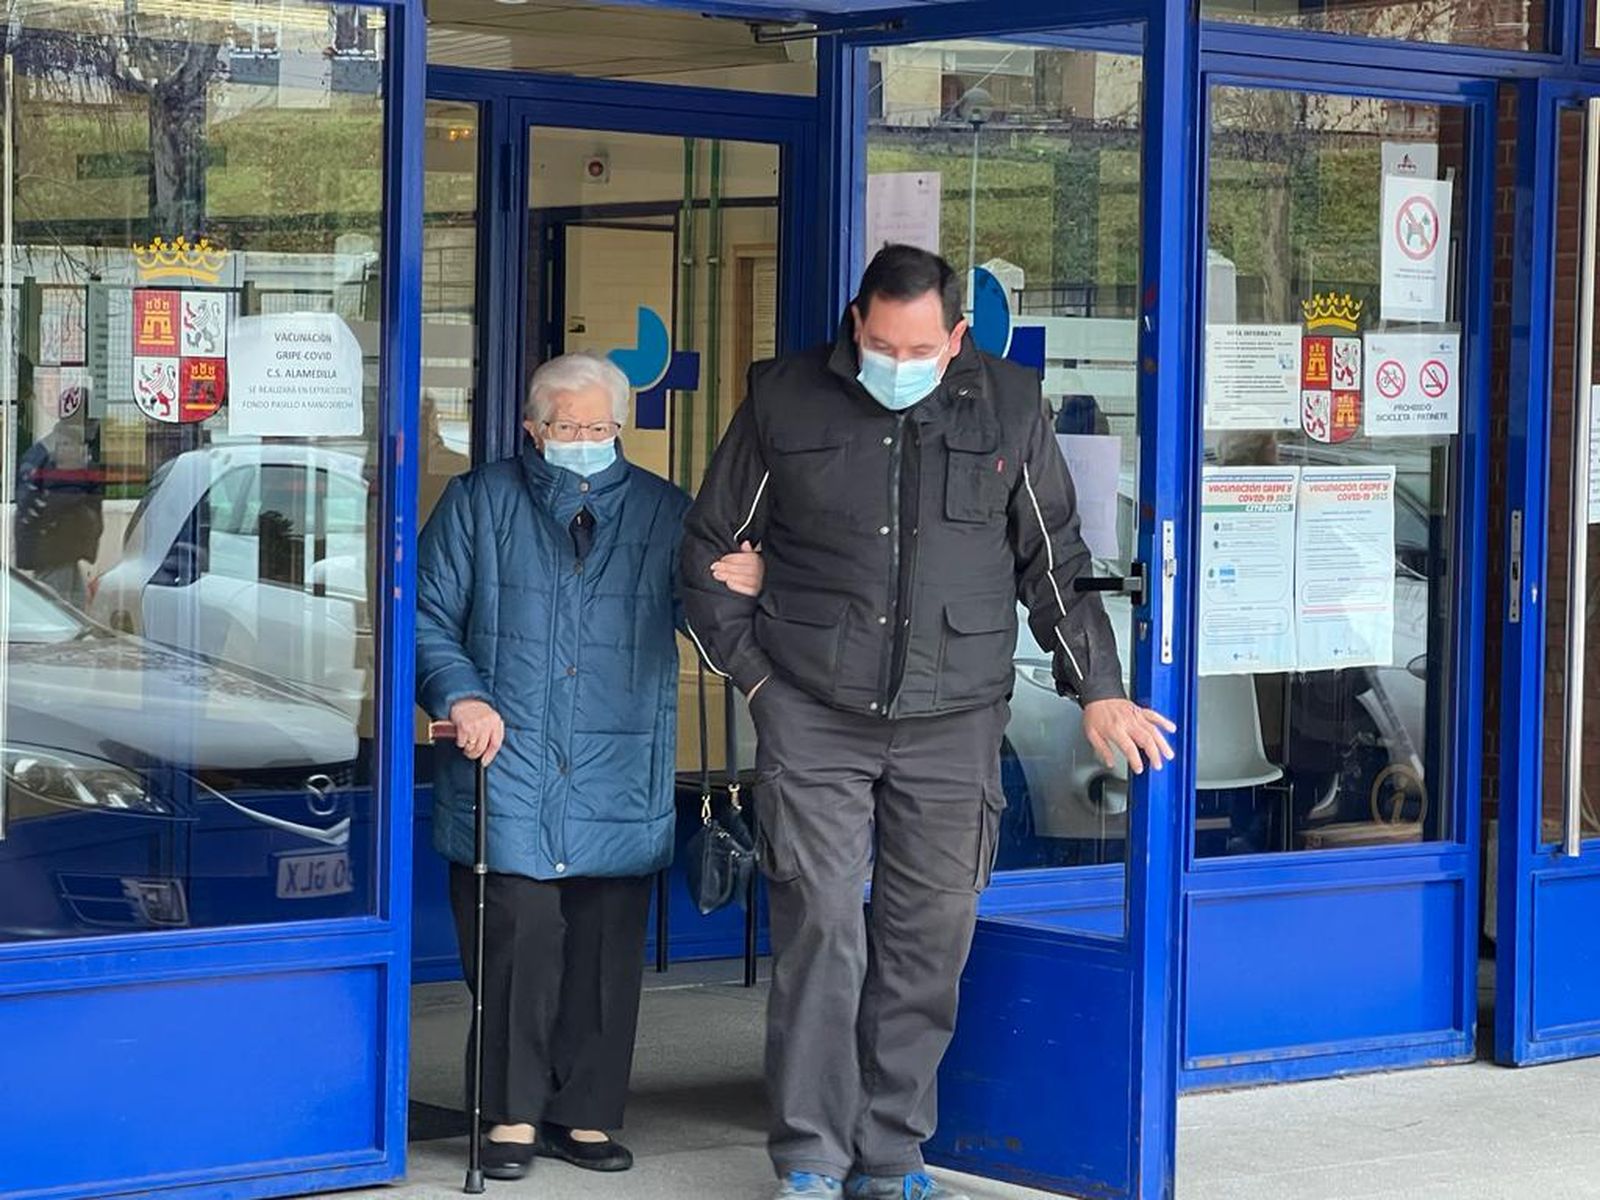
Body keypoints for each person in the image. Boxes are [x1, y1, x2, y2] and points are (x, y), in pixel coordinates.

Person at [683, 245, 1176, 1200]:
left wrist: (1097, 689)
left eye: (917, 346)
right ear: (854, 322)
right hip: (813, 711)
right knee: (824, 926)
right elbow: (708, 556)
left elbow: (1055, 566)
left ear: (956, 336)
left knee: (929, 934)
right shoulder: (785, 400)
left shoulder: (1011, 405)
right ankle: (812, 1157)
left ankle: (892, 1151)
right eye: (877, 342)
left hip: (954, 720)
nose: (895, 362)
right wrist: (756, 686)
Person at [415, 351, 760, 1182]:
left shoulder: (666, 512)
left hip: (619, 766)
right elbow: (426, 617)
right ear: (532, 427)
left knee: (607, 955)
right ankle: (509, 1114)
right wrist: (460, 696)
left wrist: (743, 586)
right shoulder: (478, 503)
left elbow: (710, 628)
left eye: (600, 426)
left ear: (622, 427)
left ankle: (587, 1114)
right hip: (509, 765)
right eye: (567, 426)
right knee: (516, 946)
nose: (583, 440)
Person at [15, 390, 103, 609]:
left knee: (73, 609)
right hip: (57, 548)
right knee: (57, 612)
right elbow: (65, 498)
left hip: (59, 549)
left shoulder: (50, 447)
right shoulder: (66, 451)